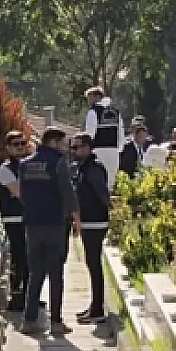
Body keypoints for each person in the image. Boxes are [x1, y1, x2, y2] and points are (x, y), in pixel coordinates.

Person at [17, 127, 80, 335]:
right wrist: (76, 218)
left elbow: (23, 194)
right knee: (56, 273)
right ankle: (55, 322)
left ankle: (29, 320)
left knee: (35, 272)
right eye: (63, 143)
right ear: (53, 142)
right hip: (54, 224)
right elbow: (67, 191)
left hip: (32, 224)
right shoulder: (58, 162)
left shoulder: (25, 165)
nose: (65, 147)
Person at [70, 134, 112, 325]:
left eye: (77, 147)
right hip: (88, 222)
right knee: (91, 264)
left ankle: (97, 310)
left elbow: (102, 193)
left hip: (95, 222)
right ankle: (94, 305)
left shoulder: (93, 168)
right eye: (73, 147)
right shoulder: (84, 168)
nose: (74, 151)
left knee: (94, 265)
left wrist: (112, 212)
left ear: (87, 148)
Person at [0, 130, 31, 312]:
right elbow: (19, 192)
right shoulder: (5, 168)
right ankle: (17, 297)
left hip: (28, 216)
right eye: (16, 145)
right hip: (13, 217)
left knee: (30, 258)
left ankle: (29, 294)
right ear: (8, 148)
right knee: (19, 257)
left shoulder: (27, 165)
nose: (20, 148)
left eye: (22, 144)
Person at [82, 86, 125, 192]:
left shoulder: (93, 112)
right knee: (110, 184)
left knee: (97, 184)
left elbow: (89, 135)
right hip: (114, 152)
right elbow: (121, 133)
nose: (89, 101)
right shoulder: (116, 112)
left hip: (98, 152)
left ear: (97, 97)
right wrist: (118, 150)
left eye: (90, 97)